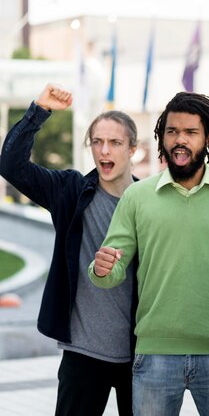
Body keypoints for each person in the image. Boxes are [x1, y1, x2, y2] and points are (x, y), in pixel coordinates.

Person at [88, 92, 209, 416]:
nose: (179, 140)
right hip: (154, 354)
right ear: (161, 137)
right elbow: (110, 272)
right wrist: (101, 269)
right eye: (171, 132)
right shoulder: (137, 197)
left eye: (190, 132)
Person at [0, 83, 138, 415]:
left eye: (115, 143)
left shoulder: (149, 201)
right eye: (97, 142)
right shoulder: (70, 190)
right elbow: (10, 165)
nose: (104, 151)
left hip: (140, 353)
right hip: (83, 352)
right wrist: (39, 110)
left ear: (133, 148)